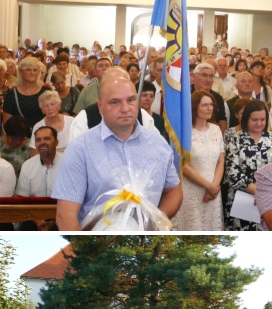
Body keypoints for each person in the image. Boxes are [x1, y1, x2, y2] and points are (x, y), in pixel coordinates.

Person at [53, 77, 182, 230]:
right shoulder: (80, 149)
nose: (125, 108)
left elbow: (173, 190)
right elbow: (65, 216)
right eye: (115, 102)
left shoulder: (158, 144)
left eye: (131, 100)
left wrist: (155, 220)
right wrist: (83, 245)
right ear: (100, 107)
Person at [224, 99, 272, 231]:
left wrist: (266, 193)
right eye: (254, 120)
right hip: (242, 199)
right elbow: (232, 171)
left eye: (262, 119)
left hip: (271, 199)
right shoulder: (236, 139)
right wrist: (257, 191)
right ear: (246, 119)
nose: (259, 123)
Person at [170, 90, 224, 231]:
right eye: (205, 105)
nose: (209, 108)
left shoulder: (216, 129)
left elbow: (221, 160)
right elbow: (182, 165)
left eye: (211, 105)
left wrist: (214, 186)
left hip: (213, 192)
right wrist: (208, 186)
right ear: (194, 107)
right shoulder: (184, 132)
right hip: (191, 190)